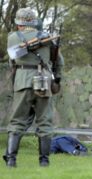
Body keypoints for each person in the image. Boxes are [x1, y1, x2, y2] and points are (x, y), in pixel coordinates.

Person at [4, 7, 64, 167]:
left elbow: (12, 62)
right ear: (34, 22)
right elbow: (59, 62)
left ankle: (11, 160)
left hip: (22, 80)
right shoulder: (48, 38)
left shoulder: (13, 38)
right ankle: (44, 161)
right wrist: (57, 79)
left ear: (19, 23)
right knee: (45, 121)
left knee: (17, 120)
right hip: (43, 81)